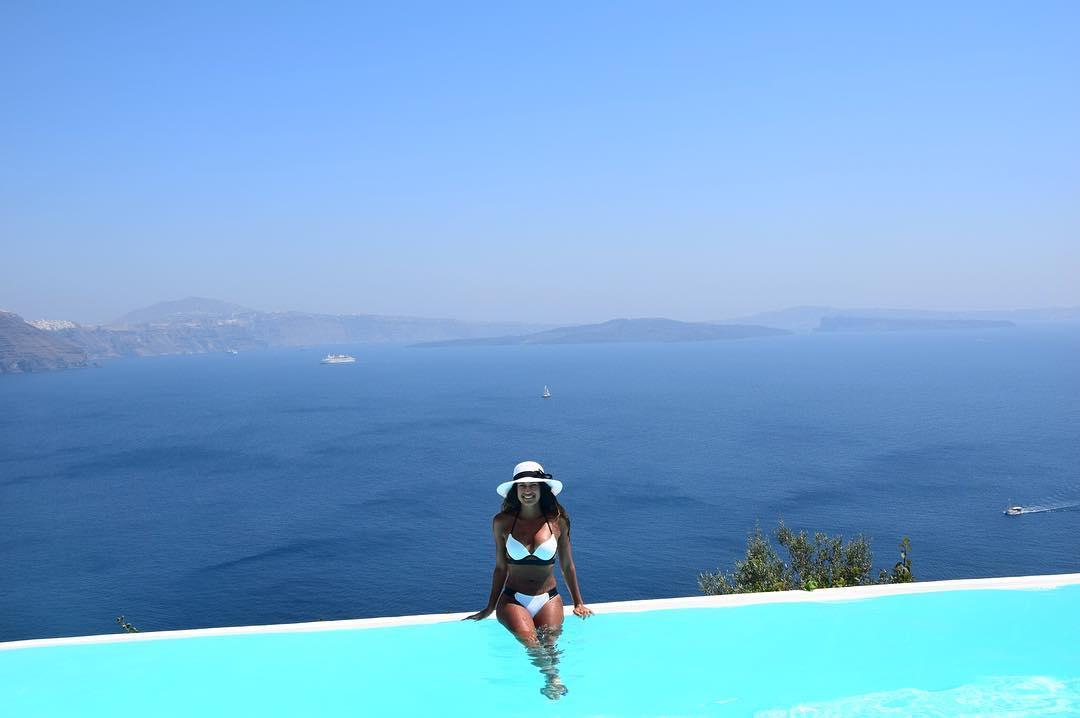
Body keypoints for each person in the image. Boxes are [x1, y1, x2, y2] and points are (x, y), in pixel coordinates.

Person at [465, 460, 592, 699]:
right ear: (515, 490)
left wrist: (578, 602)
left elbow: (567, 564)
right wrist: (490, 607)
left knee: (551, 644)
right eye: (522, 486)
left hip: (549, 597)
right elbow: (500, 567)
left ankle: (552, 676)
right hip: (513, 599)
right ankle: (553, 678)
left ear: (542, 489)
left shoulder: (557, 521)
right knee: (531, 642)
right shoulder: (502, 522)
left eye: (533, 485)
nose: (527, 490)